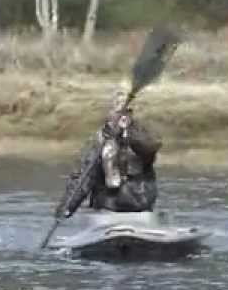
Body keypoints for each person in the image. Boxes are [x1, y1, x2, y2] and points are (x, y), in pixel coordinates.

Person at [55, 91, 162, 220]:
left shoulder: (142, 134)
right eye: (118, 111)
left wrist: (128, 136)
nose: (123, 115)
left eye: (127, 111)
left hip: (140, 208)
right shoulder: (98, 141)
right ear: (110, 114)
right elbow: (83, 178)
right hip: (107, 210)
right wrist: (67, 207)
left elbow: (151, 146)